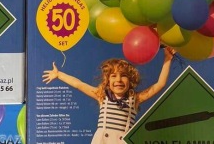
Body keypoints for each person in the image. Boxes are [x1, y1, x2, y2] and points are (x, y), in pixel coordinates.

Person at [42, 47, 175, 143]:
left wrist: (167, 59)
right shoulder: (102, 96)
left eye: (123, 76)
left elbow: (159, 85)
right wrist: (59, 75)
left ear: (130, 80)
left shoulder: (134, 99)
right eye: (113, 76)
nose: (118, 80)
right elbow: (79, 84)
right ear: (107, 80)